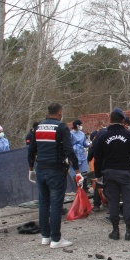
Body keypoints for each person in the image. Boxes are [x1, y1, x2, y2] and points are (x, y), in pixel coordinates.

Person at [28, 103, 81, 249]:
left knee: (43, 204)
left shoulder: (38, 127)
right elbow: (69, 151)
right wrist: (77, 171)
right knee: (56, 204)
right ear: (59, 112)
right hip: (56, 170)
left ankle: (45, 236)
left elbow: (31, 149)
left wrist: (31, 169)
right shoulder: (61, 127)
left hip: (41, 169)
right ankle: (56, 239)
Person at [94, 108, 130, 241]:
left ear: (110, 120)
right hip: (126, 173)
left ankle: (115, 231)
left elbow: (97, 157)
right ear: (123, 120)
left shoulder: (102, 135)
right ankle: (129, 231)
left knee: (113, 202)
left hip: (109, 173)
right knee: (128, 202)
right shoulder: (129, 135)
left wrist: (98, 174)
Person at [87, 126, 108, 212]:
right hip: (110, 162)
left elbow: (93, 148)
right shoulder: (113, 133)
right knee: (110, 184)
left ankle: (96, 204)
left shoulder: (99, 135)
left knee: (99, 182)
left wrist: (88, 158)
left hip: (99, 162)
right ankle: (111, 204)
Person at [71, 119, 89, 189]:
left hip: (81, 154)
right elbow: (69, 145)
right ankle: (77, 186)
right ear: (77, 125)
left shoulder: (82, 134)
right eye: (80, 125)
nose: (81, 126)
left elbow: (84, 143)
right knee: (75, 172)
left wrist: (89, 145)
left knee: (84, 171)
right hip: (74, 153)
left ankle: (85, 186)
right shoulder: (71, 134)